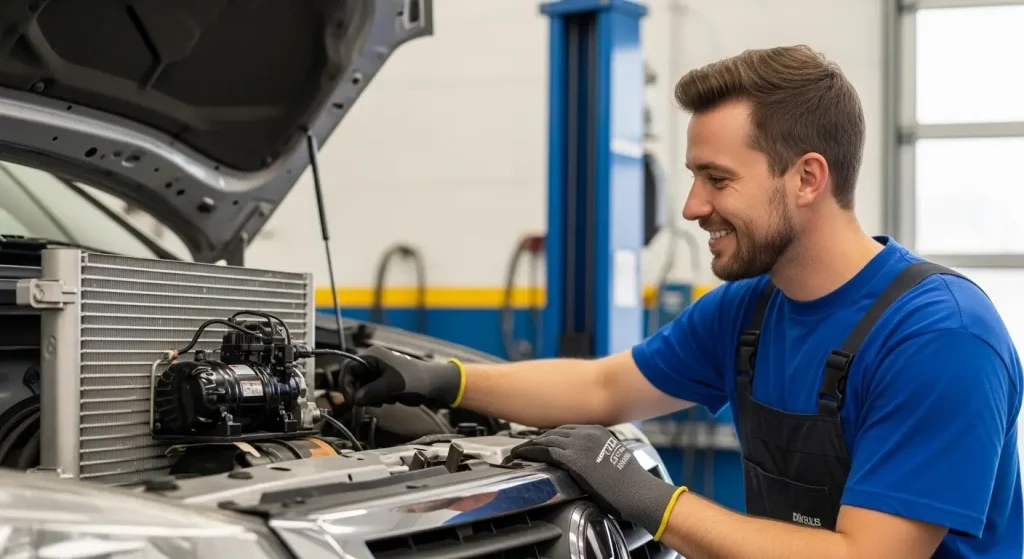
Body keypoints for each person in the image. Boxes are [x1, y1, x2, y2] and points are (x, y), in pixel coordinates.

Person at [341, 45, 1023, 558]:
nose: (694, 206)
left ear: (807, 177)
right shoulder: (751, 309)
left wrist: (654, 502)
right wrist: (440, 378)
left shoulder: (940, 337)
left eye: (717, 178)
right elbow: (604, 385)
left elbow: (864, 555)